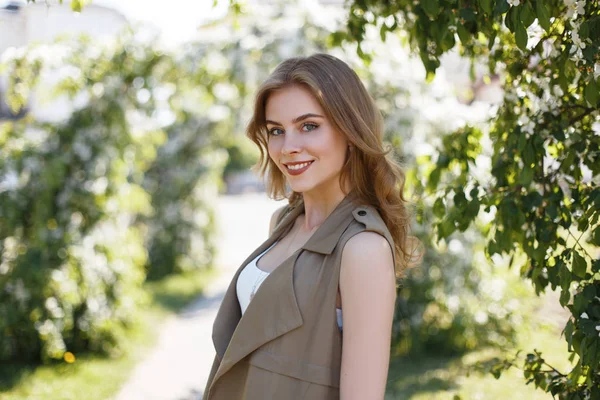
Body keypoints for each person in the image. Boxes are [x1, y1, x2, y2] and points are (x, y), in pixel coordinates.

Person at [202, 53, 421, 400]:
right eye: (276, 130)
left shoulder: (362, 249)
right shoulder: (283, 223)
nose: (289, 147)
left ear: (350, 130)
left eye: (308, 126)